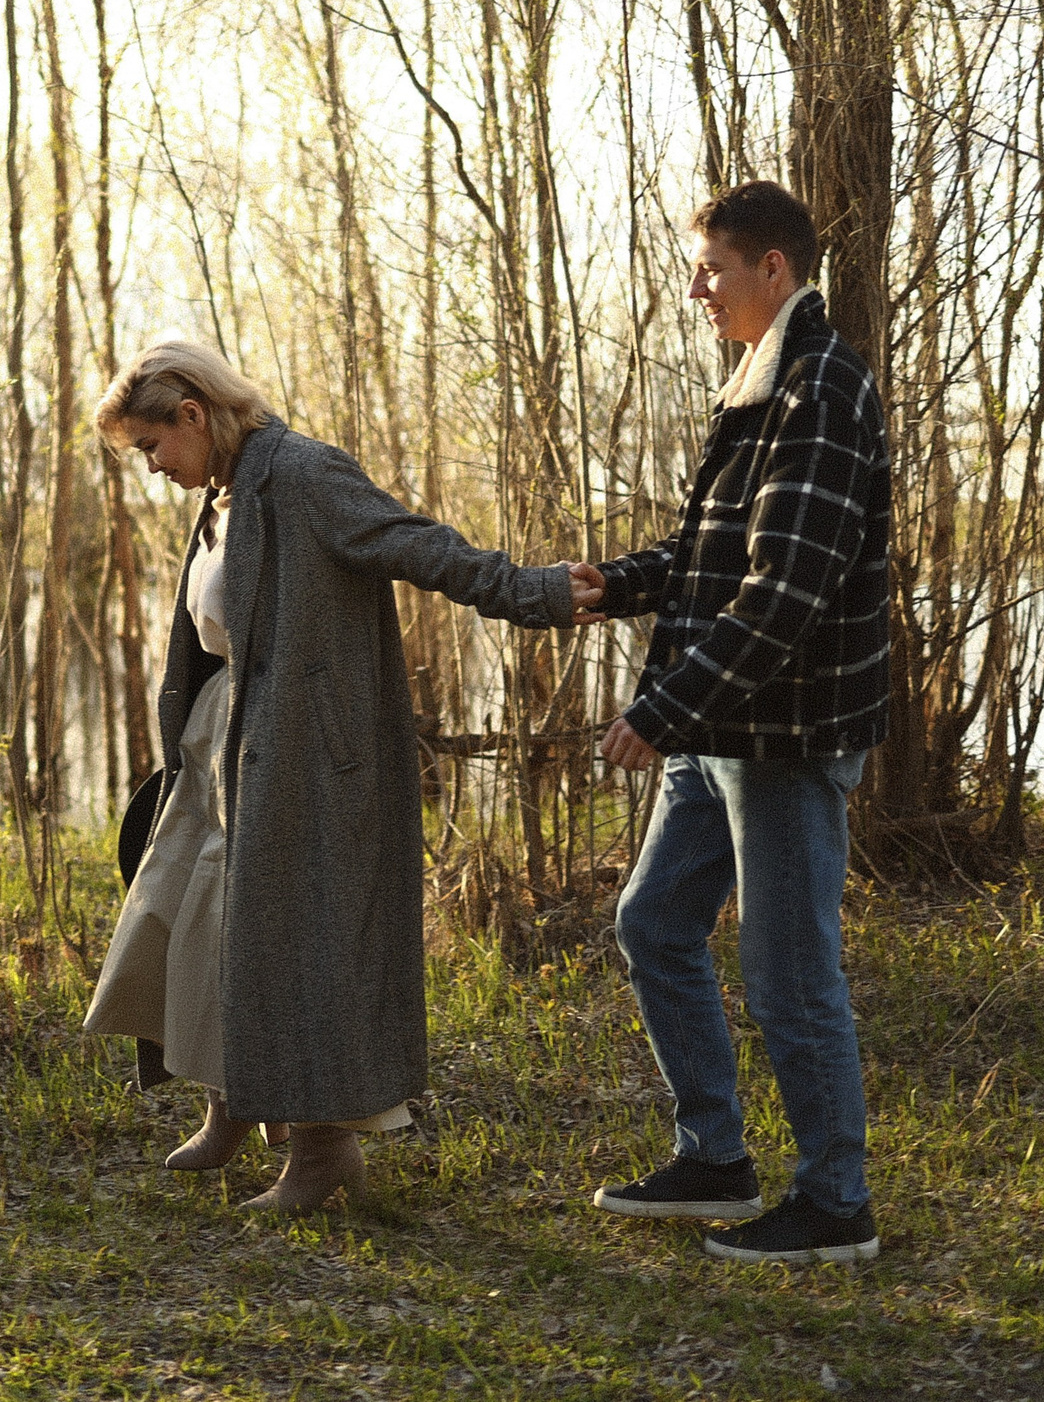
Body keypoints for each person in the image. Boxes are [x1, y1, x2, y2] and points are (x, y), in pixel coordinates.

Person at [82, 339, 602, 1212]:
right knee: (195, 920)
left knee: (294, 939)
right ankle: (236, 1104)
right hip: (225, 739)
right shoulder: (220, 490)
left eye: (152, 447)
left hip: (301, 752)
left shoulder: (305, 474)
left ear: (194, 415)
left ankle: (321, 1152)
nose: (154, 466)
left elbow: (416, 545)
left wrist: (533, 590)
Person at [579, 180, 892, 1264]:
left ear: (774, 269)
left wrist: (663, 709)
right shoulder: (758, 384)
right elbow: (716, 562)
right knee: (655, 924)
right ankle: (713, 1156)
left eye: (712, 267)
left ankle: (835, 1203)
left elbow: (783, 593)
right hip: (722, 733)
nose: (697, 287)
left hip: (784, 738)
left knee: (790, 976)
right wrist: (613, 583)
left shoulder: (818, 391)